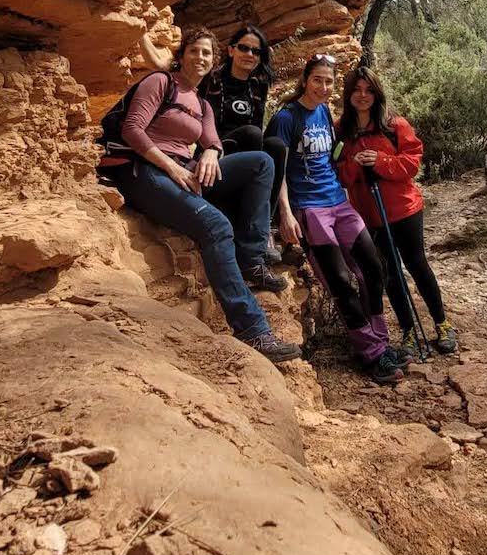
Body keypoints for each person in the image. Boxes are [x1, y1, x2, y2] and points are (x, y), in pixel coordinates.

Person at [98, 27, 297, 364]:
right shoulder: (160, 82)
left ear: (213, 60)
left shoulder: (201, 103)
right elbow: (133, 128)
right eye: (194, 51)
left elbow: (213, 140)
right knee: (216, 227)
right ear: (182, 54)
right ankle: (253, 331)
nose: (200, 58)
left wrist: (210, 154)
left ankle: (251, 256)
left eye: (207, 53)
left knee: (262, 161)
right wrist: (172, 168)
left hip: (183, 168)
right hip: (142, 170)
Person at [266, 54, 407, 387]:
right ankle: (372, 353)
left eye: (329, 81)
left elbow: (331, 157)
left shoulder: (325, 112)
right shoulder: (286, 118)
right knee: (340, 280)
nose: (323, 87)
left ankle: (380, 340)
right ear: (305, 80)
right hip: (310, 209)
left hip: (338, 203)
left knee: (373, 267)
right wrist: (285, 213)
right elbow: (277, 171)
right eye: (317, 80)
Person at [336, 67, 458, 356]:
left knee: (417, 264)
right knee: (389, 273)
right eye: (357, 90)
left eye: (369, 90)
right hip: (369, 213)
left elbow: (412, 163)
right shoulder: (340, 130)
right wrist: (355, 162)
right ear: (349, 94)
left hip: (404, 208)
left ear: (377, 94)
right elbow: (339, 174)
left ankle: (442, 323)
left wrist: (380, 161)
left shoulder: (394, 125)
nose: (363, 96)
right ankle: (407, 331)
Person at [199, 25, 286, 260]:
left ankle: (264, 223)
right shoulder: (212, 80)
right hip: (215, 152)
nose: (249, 55)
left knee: (276, 145)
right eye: (244, 48)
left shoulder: (258, 86)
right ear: (230, 50)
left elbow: (257, 123)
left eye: (256, 52)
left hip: (249, 150)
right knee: (252, 134)